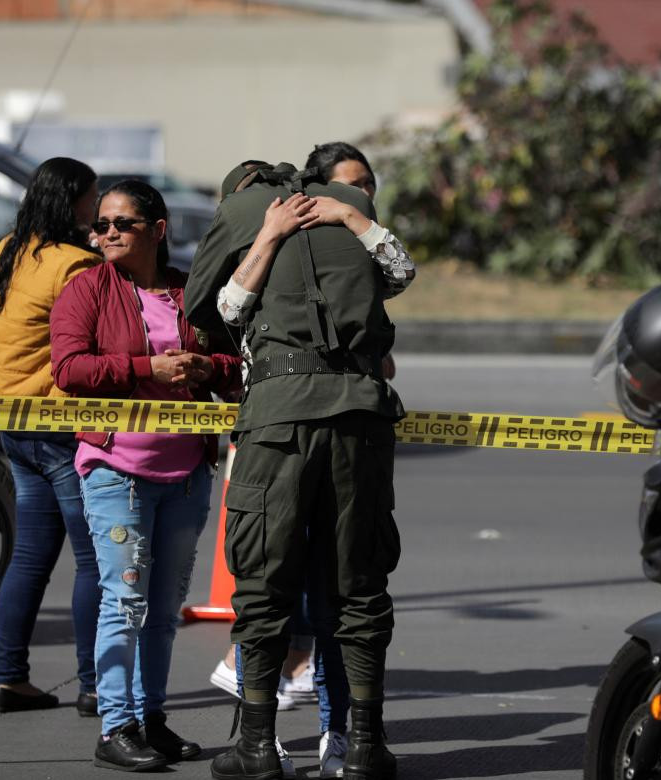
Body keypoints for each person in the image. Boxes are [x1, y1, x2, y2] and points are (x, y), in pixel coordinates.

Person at [185, 156, 407, 780]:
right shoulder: (351, 208)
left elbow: (206, 313)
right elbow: (395, 283)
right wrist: (348, 218)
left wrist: (263, 245)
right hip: (360, 418)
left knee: (263, 585)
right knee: (359, 583)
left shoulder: (241, 213)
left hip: (278, 422)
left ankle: (257, 746)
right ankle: (363, 745)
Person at [50, 180, 243, 772]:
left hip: (185, 472)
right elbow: (69, 367)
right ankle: (115, 725)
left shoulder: (192, 291)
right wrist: (146, 366)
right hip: (115, 470)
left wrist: (203, 365)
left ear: (158, 230)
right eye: (100, 224)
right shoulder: (85, 289)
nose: (106, 233)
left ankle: (149, 717)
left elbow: (237, 364)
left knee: (163, 609)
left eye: (121, 224)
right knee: (124, 602)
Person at [0, 157, 102, 717]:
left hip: (12, 423)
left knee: (30, 556)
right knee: (94, 559)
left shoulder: (5, 251)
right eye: (94, 197)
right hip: (58, 427)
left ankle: (9, 678)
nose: (99, 208)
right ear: (74, 201)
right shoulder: (74, 265)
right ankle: (95, 684)